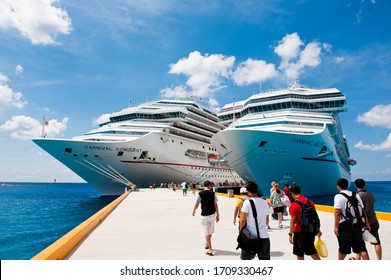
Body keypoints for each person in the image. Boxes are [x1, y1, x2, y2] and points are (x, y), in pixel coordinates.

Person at [333, 177, 370, 260]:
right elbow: (363, 211)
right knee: (361, 247)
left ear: (338, 186)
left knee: (343, 248)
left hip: (344, 225)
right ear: (347, 185)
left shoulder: (338, 196)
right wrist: (367, 223)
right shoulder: (355, 194)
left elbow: (337, 212)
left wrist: (335, 226)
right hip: (357, 224)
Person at [239, 181, 271, 260]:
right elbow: (267, 221)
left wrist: (241, 233)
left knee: (246, 260)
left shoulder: (247, 202)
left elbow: (242, 220)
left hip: (250, 237)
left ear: (248, 191)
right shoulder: (265, 202)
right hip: (264, 236)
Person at [288, 185, 321, 260]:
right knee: (312, 251)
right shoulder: (310, 202)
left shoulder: (294, 204)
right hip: (310, 231)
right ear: (300, 192)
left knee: (299, 253)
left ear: (292, 193)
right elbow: (315, 217)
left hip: (299, 232)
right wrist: (318, 229)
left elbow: (292, 221)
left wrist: (290, 234)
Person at [354, 178, 382, 260]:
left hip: (363, 222)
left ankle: (359, 258)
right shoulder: (370, 194)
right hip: (373, 219)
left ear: (355, 186)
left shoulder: (357, 196)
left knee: (360, 242)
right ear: (364, 185)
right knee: (377, 242)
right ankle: (378, 259)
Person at [192, 180, 219, 256]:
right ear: (210, 185)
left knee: (207, 231)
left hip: (204, 215)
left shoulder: (200, 193)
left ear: (204, 185)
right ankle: (207, 243)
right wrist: (218, 214)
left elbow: (197, 203)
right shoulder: (213, 193)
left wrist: (194, 210)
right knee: (209, 231)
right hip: (212, 214)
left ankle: (210, 249)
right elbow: (216, 205)